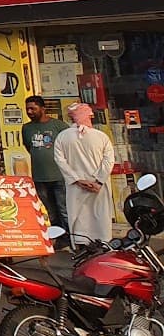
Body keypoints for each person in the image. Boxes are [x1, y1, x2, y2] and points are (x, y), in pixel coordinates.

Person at [54, 102, 116, 247]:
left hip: (76, 186)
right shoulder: (101, 137)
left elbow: (60, 161)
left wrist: (77, 180)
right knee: (100, 214)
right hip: (98, 186)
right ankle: (103, 242)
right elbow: (109, 160)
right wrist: (99, 181)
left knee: (78, 214)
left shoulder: (62, 137)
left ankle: (81, 244)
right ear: (88, 116)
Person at [20, 96, 69, 244]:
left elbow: (69, 147)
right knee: (49, 211)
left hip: (59, 175)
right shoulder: (26, 128)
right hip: (39, 177)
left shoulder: (59, 126)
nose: (30, 112)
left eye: (33, 109)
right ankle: (58, 238)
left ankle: (71, 238)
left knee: (63, 209)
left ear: (42, 109)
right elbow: (29, 147)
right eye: (27, 109)